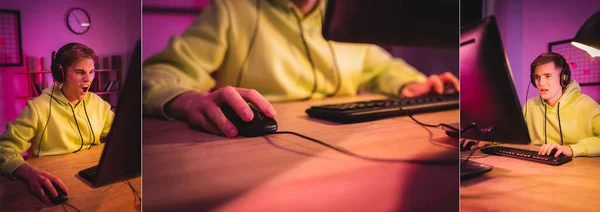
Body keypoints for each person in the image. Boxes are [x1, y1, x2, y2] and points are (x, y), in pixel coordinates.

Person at [143, 0, 460, 138]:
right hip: (264, 152)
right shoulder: (232, 9)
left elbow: (379, 67)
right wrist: (187, 99)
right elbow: (158, 74)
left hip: (344, 145)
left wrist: (411, 84)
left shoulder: (344, 11)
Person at [0, 43, 114, 204]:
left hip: (92, 182)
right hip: (57, 184)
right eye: (80, 72)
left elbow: (120, 134)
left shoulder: (98, 104)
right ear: (60, 74)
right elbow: (3, 149)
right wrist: (29, 173)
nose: (88, 79)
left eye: (91, 72)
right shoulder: (38, 108)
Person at [525, 52, 600, 157]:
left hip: (577, 170)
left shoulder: (587, 105)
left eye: (548, 76)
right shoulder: (530, 106)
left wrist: (572, 149)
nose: (541, 83)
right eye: (537, 77)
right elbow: (512, 136)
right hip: (539, 167)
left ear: (564, 78)